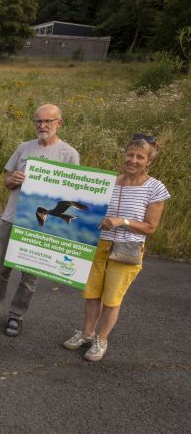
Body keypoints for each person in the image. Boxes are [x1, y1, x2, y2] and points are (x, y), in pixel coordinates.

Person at [0, 104, 80, 337]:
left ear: (59, 123)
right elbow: (6, 181)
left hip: (40, 223)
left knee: (30, 275)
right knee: (0, 271)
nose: (42, 126)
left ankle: (16, 316)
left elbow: (72, 192)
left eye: (47, 121)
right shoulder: (24, 147)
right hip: (12, 217)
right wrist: (14, 179)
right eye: (38, 121)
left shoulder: (68, 154)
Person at [63, 135, 169, 362]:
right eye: (130, 155)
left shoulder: (155, 187)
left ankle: (101, 339)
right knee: (92, 294)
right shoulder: (109, 181)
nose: (133, 160)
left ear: (148, 161)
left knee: (111, 298)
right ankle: (87, 333)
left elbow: (150, 227)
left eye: (140, 157)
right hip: (100, 244)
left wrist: (123, 222)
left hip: (127, 249)